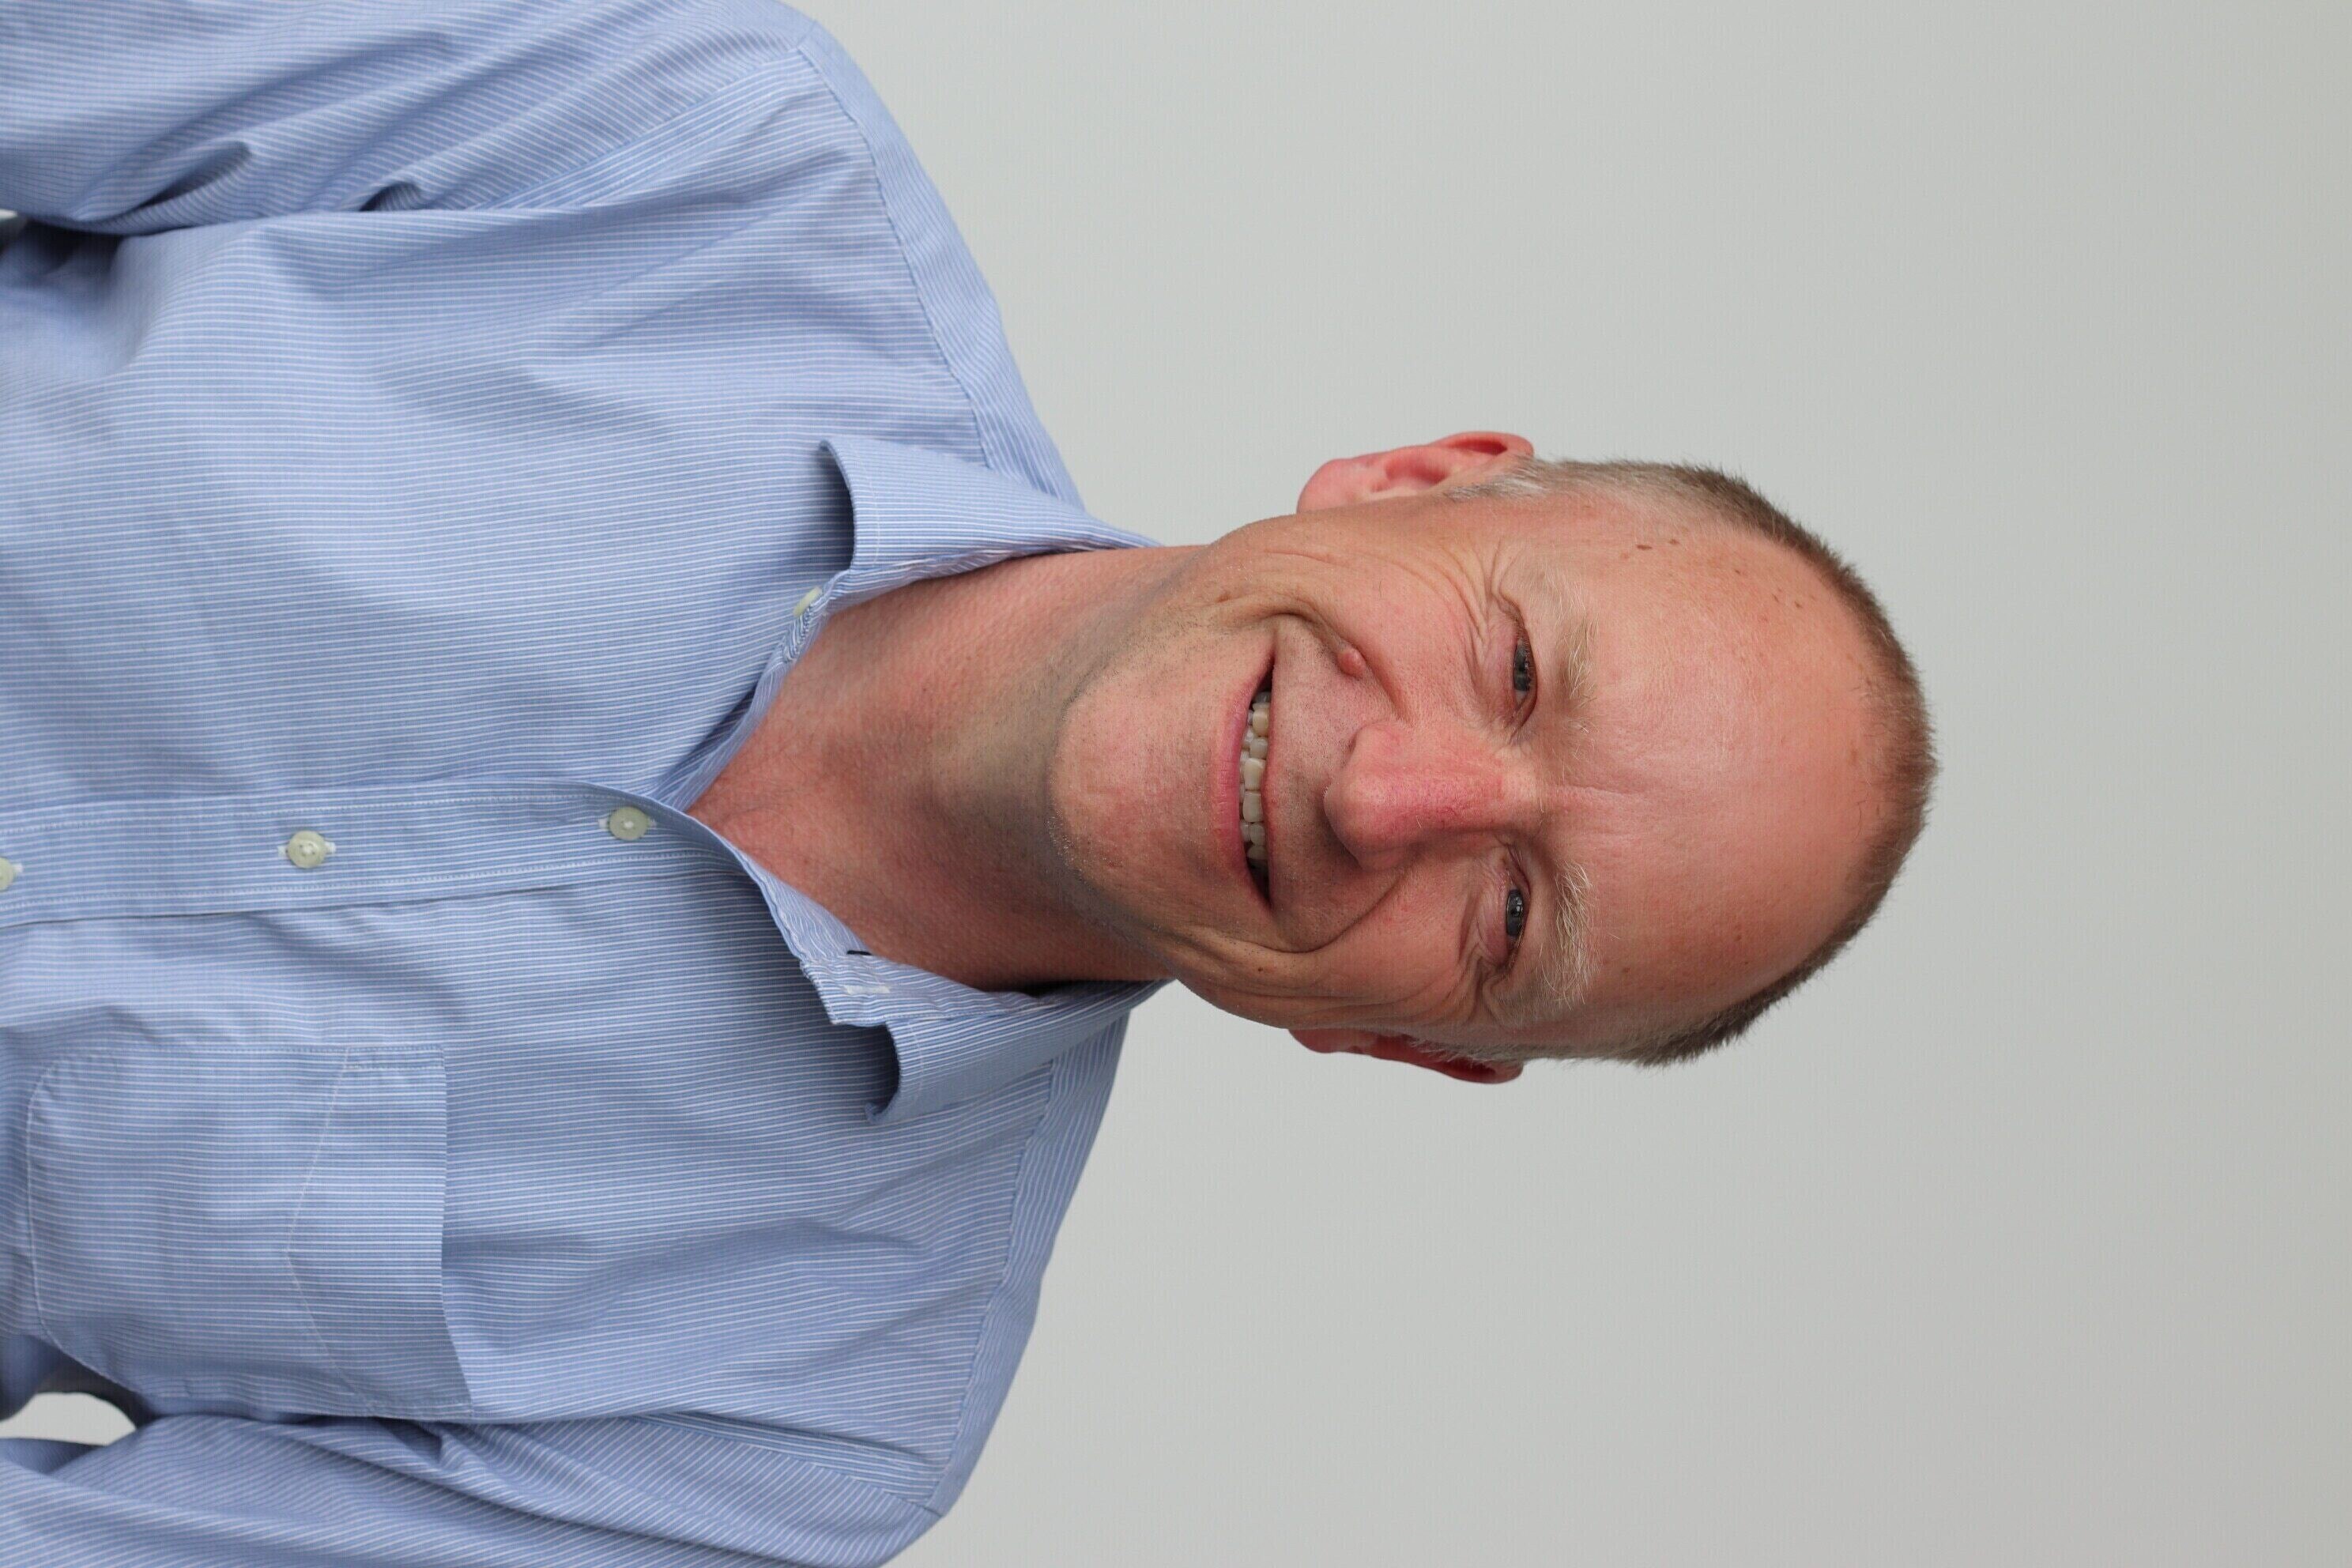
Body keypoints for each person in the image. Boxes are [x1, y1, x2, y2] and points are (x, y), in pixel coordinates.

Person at [0, 2, 1932, 1564]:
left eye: (1509, 912)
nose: (1395, 796)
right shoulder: (701, 148)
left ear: (1408, 1042)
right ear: (1417, 482)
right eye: (1513, 665)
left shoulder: (789, 1428)